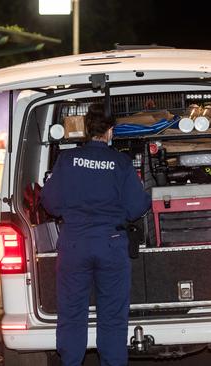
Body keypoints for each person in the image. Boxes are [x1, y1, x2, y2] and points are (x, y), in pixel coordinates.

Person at [41, 103, 151, 366]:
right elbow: (138, 205)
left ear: (87, 130)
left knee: (72, 313)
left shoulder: (67, 160)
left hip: (74, 244)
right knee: (112, 316)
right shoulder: (121, 163)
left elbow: (50, 203)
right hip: (111, 245)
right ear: (110, 131)